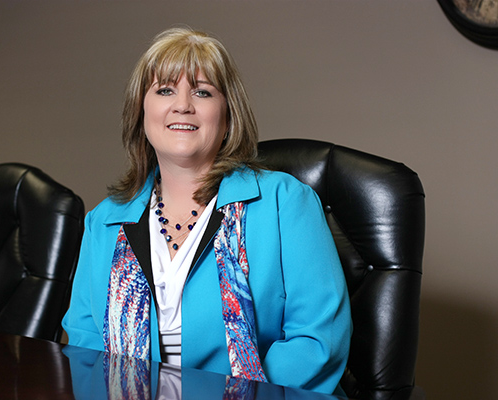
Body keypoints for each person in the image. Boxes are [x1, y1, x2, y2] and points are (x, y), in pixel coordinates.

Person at [62, 27, 351, 395]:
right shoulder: (103, 222)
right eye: (165, 90)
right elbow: (86, 350)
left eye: (202, 92)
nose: (182, 105)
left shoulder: (286, 203)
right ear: (141, 112)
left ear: (228, 115)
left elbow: (317, 341)